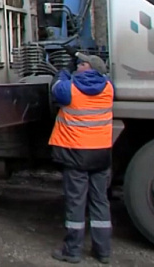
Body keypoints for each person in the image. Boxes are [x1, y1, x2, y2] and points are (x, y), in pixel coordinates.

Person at [49, 52, 114, 264]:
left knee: (76, 203)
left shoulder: (69, 88)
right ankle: (103, 251)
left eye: (81, 63)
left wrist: (65, 70)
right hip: (101, 154)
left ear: (89, 67)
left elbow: (56, 86)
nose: (78, 65)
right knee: (100, 202)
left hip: (76, 154)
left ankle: (73, 251)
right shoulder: (109, 88)